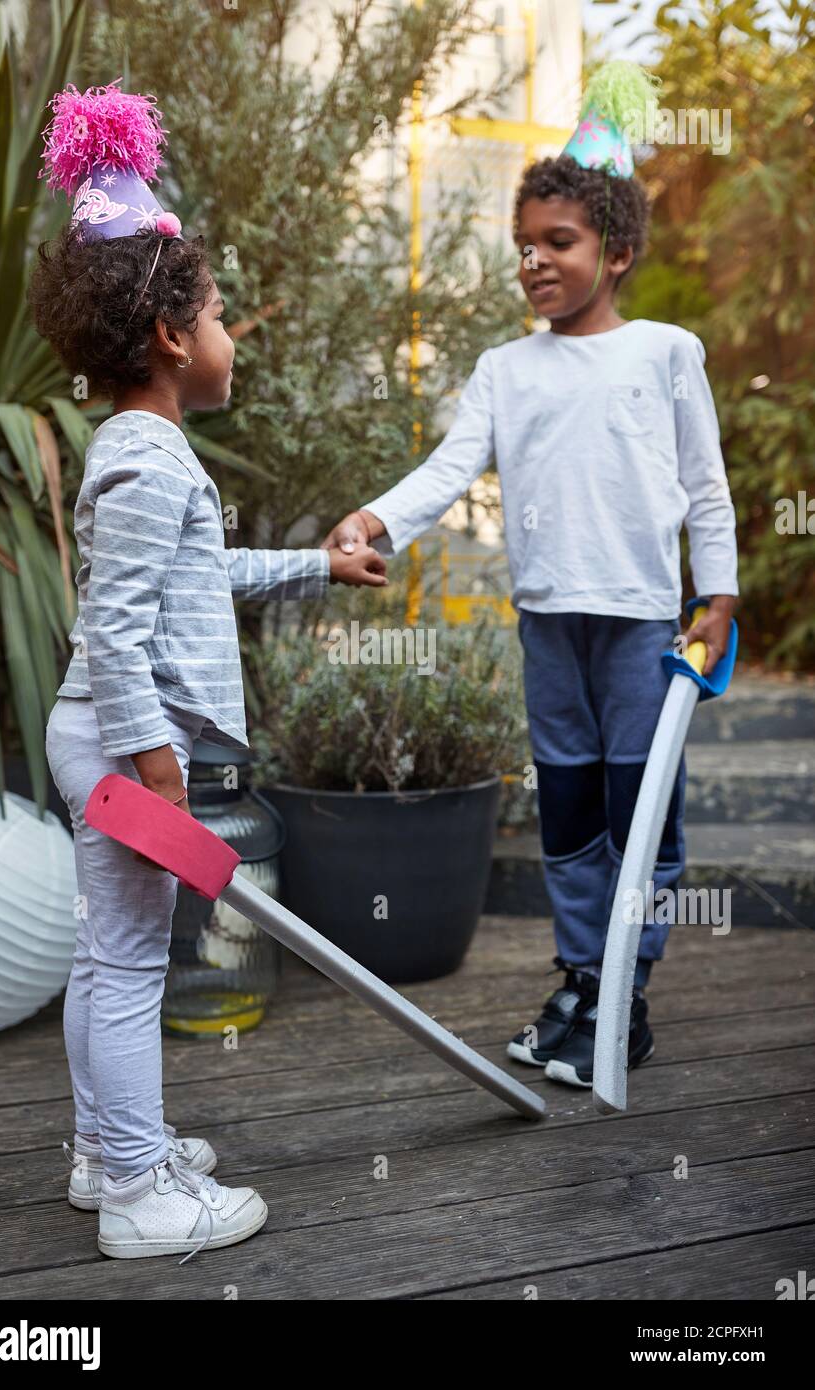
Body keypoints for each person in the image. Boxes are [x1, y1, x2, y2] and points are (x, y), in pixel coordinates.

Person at [322, 62, 738, 1089]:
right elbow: (446, 467)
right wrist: (375, 516)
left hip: (646, 628)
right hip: (549, 626)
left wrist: (716, 597)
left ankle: (619, 995)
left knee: (640, 813)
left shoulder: (662, 351)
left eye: (558, 242)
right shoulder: (506, 370)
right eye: (524, 246)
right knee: (565, 815)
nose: (534, 262)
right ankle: (579, 976)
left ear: (617, 250)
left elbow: (705, 486)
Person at [30, 81, 386, 1262]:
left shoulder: (142, 449)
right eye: (223, 313)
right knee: (131, 965)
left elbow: (197, 581)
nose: (234, 334)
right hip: (128, 747)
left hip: (110, 741)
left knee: (105, 956)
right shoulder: (144, 455)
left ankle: (101, 1154)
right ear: (175, 336)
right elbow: (119, 634)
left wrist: (317, 569)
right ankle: (139, 1194)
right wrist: (156, 769)